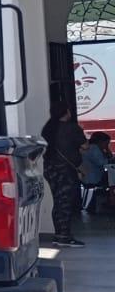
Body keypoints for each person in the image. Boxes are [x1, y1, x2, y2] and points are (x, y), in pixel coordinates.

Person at [41, 102, 87, 247]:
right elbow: (85, 145)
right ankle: (64, 236)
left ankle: (59, 234)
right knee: (65, 203)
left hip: (50, 169)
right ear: (66, 112)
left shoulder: (48, 128)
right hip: (65, 170)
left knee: (58, 202)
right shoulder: (72, 128)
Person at [83, 130, 113, 216]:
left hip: (89, 176)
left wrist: (106, 149)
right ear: (100, 142)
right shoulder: (94, 149)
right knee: (112, 179)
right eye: (106, 143)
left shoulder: (94, 148)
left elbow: (109, 157)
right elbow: (102, 163)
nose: (107, 145)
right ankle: (111, 200)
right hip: (93, 177)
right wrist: (107, 151)